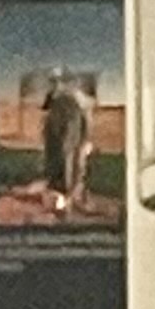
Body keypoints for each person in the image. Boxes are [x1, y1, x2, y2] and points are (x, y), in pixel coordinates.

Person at [40, 69, 88, 212]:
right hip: (56, 138)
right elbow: (46, 108)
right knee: (56, 165)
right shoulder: (54, 98)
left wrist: (83, 139)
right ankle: (62, 196)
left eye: (58, 81)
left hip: (70, 138)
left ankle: (69, 198)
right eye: (53, 82)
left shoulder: (73, 100)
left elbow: (81, 121)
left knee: (71, 166)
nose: (56, 85)